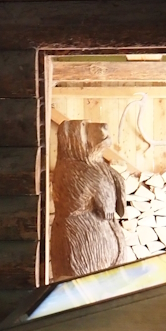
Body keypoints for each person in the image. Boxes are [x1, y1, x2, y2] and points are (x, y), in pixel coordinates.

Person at [50, 119, 130, 279]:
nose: (102, 127)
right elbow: (72, 201)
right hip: (82, 247)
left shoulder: (98, 165)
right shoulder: (68, 170)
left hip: (110, 240)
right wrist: (98, 186)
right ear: (72, 139)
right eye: (85, 128)